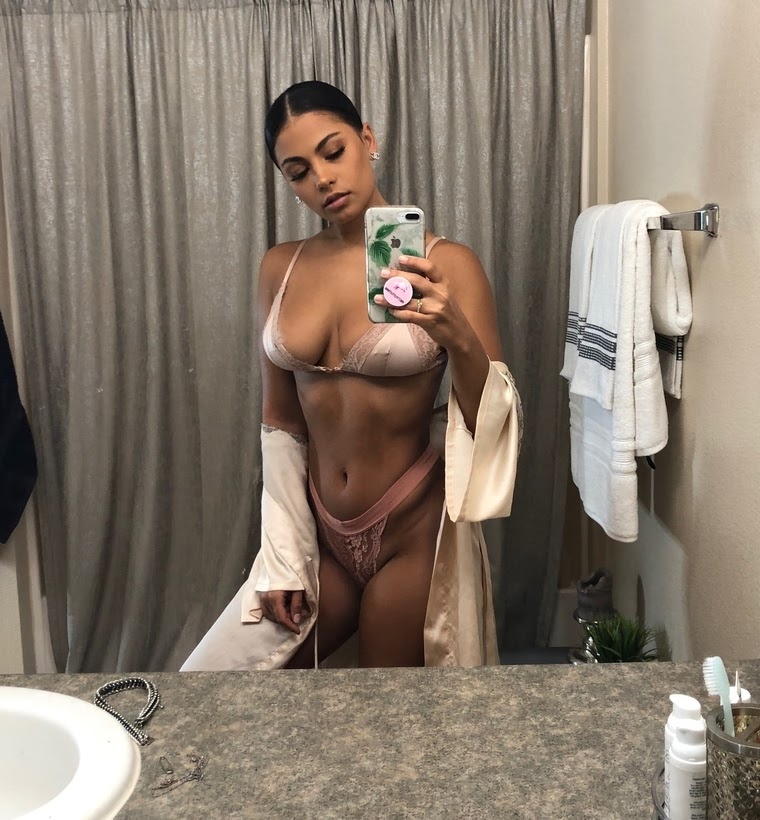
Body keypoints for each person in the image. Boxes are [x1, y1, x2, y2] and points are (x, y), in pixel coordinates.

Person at [181, 81, 522, 671]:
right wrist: (284, 553)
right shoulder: (281, 266)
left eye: (333, 151)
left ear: (367, 139)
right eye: (298, 171)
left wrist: (457, 334)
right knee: (214, 682)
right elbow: (280, 420)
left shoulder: (447, 264)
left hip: (411, 533)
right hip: (319, 534)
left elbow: (488, 421)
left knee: (378, 714)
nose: (322, 178)